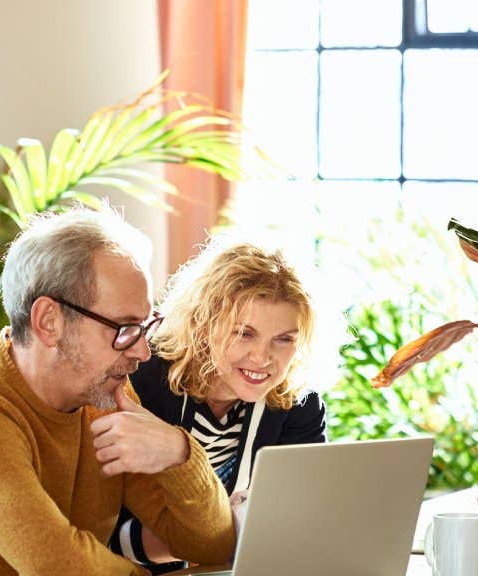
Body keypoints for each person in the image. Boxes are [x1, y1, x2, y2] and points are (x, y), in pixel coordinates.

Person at [0, 206, 235, 576]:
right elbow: (61, 566)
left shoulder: (105, 401)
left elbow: (211, 545)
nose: (143, 352)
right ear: (49, 322)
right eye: (125, 328)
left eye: (145, 325)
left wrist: (179, 452)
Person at [110, 238, 328, 572]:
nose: (262, 357)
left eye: (284, 339)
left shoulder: (299, 404)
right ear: (202, 324)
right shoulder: (142, 381)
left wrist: (222, 538)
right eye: (244, 333)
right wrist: (221, 539)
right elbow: (106, 531)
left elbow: (301, 520)